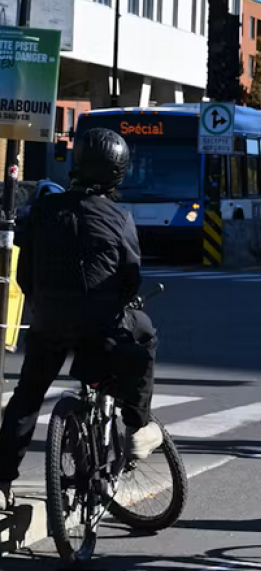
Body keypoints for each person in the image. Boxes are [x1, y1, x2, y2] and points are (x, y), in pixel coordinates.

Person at [0, 128, 162, 511]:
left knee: (26, 398)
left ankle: (2, 479)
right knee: (144, 336)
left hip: (48, 324)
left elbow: (26, 276)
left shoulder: (42, 212)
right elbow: (130, 279)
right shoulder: (119, 218)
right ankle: (138, 426)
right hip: (100, 327)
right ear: (118, 172)